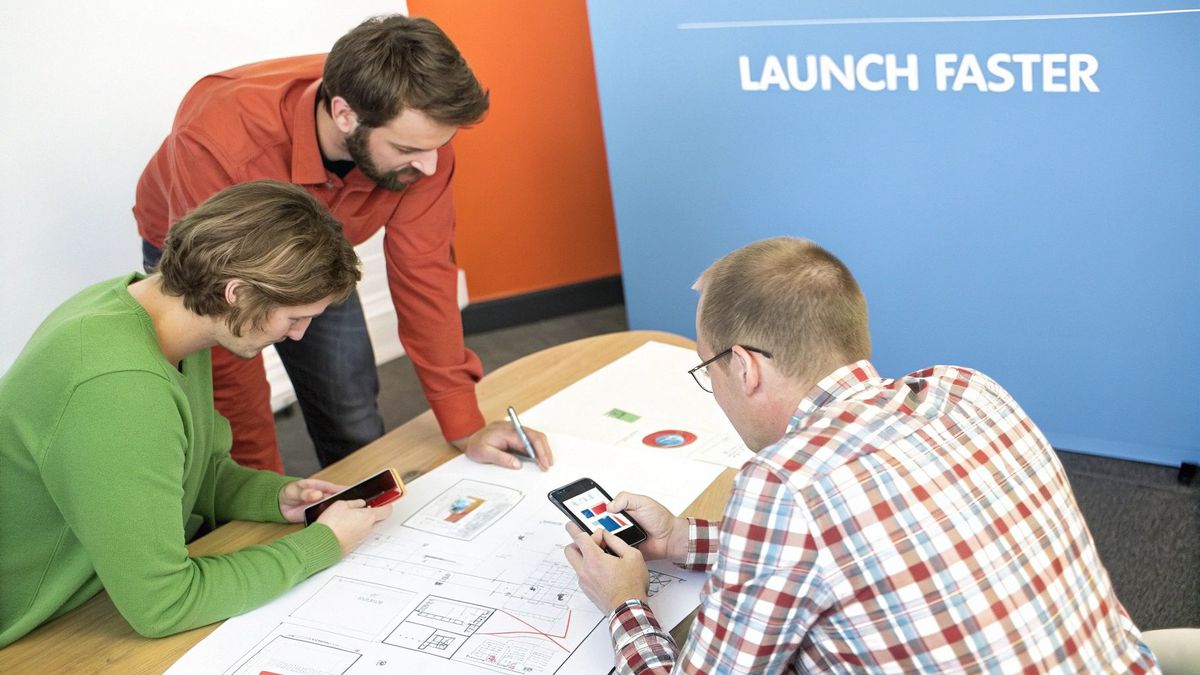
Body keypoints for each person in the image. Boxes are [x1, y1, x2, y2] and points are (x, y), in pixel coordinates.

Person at [563, 238, 1159, 673]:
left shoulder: (784, 484)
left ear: (743, 368)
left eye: (707, 367)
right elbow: (876, 542)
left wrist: (626, 601)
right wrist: (681, 541)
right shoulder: (967, 390)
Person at [133, 14, 551, 473]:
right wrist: (260, 494)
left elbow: (425, 276)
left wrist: (464, 424)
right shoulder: (220, 140)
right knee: (233, 412)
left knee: (350, 407)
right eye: (409, 151)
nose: (430, 167)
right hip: (209, 259)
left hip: (318, 249)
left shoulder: (421, 139)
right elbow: (224, 338)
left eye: (437, 147)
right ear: (345, 114)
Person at [0, 181, 395, 647]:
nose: (298, 336)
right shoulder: (120, 387)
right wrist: (321, 546)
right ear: (237, 293)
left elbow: (181, 473)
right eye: (294, 318)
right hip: (39, 632)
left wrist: (274, 496)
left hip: (95, 590)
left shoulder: (152, 311)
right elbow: (163, 605)